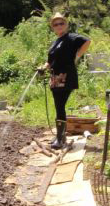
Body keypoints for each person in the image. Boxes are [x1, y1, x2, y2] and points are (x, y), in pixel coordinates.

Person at [38, 12, 91, 149]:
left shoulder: (71, 37)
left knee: (60, 106)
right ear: (53, 27)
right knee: (58, 106)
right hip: (55, 78)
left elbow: (87, 41)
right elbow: (50, 62)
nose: (59, 26)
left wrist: (78, 55)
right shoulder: (55, 42)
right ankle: (60, 136)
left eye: (61, 23)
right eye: (56, 24)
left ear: (66, 25)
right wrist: (43, 68)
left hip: (66, 77)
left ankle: (61, 139)